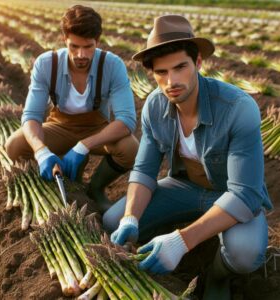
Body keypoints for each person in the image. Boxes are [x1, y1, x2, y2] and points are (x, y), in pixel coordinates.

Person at [103, 14, 272, 299]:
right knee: (113, 221)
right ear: (152, 74)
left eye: (180, 67)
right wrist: (131, 217)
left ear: (198, 63)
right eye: (161, 73)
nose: (171, 81)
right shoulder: (154, 108)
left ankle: (217, 274)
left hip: (231, 195)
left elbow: (245, 194)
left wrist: (182, 241)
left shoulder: (237, 108)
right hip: (186, 188)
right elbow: (144, 171)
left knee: (244, 255)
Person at [5, 5, 139, 213]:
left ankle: (95, 189)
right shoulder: (47, 64)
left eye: (88, 47)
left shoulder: (113, 65)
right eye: (74, 46)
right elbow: (31, 116)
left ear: (98, 40)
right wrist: (41, 151)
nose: (81, 55)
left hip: (95, 129)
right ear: (64, 39)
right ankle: (53, 182)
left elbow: (127, 121)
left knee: (130, 148)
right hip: (60, 126)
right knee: (15, 144)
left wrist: (83, 146)